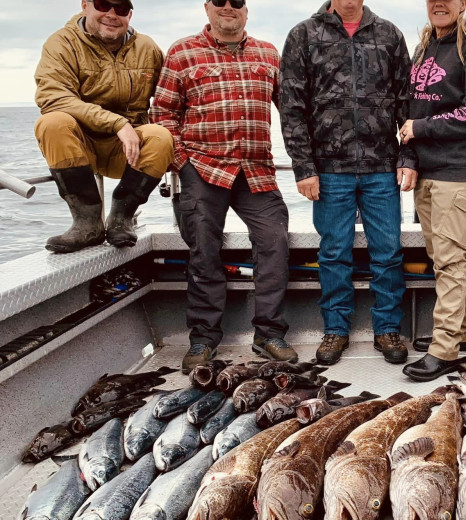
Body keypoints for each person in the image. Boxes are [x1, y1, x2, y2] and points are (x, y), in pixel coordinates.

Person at [152, 0, 297, 373]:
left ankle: (268, 334)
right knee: (203, 248)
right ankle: (203, 338)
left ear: (246, 11)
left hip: (256, 171)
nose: (228, 7)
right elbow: (163, 114)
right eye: (220, 2)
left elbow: (292, 111)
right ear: (207, 8)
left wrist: (311, 162)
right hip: (202, 168)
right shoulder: (182, 52)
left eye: (237, 2)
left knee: (275, 243)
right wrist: (182, 163)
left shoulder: (268, 54)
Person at [280, 0, 415, 366]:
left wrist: (407, 159)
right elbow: (292, 106)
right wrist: (304, 166)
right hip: (328, 169)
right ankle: (335, 330)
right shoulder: (304, 35)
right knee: (333, 253)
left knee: (387, 253)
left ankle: (387, 329)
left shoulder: (389, 34)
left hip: (382, 167)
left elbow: (408, 103)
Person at [398, 0, 466, 381]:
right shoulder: (425, 46)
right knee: (445, 259)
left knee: (450, 262)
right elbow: (411, 109)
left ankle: (445, 351)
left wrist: (422, 130)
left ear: (462, 4)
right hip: (428, 174)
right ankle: (460, 335)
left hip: (459, 174)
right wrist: (408, 157)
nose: (439, 3)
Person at [33, 0, 173, 254]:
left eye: (120, 9)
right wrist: (117, 123)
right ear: (85, 5)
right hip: (80, 147)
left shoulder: (148, 47)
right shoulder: (61, 43)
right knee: (51, 122)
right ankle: (87, 224)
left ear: (130, 14)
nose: (111, 14)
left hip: (129, 153)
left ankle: (121, 218)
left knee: (161, 135)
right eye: (103, 4)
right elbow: (53, 97)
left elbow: (170, 99)